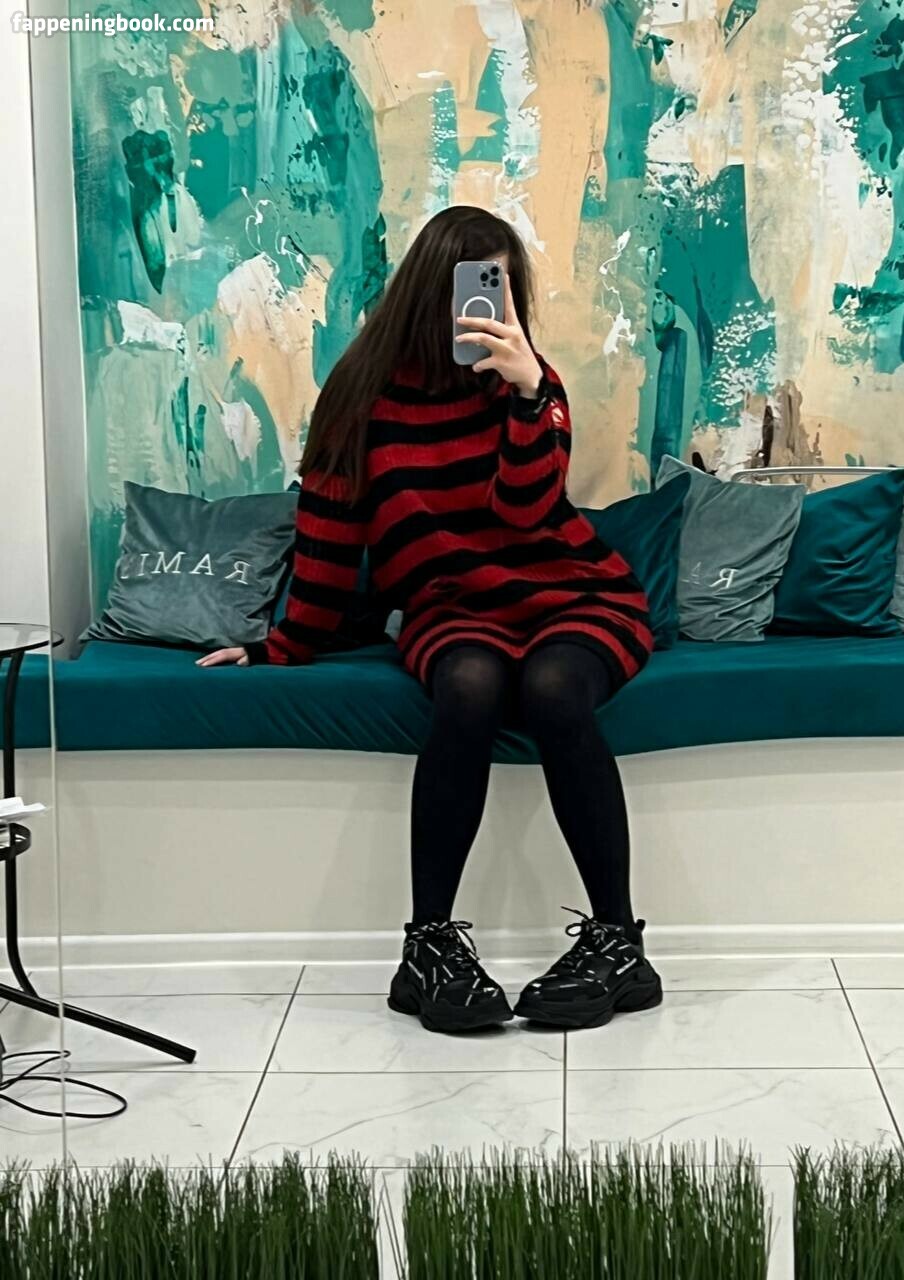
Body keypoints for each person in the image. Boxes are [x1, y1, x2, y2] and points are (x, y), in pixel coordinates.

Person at [199, 206, 662, 1034]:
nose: (486, 305)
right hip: (453, 608)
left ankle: (619, 944)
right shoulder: (359, 397)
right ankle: (428, 947)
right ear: (427, 291)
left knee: (555, 689)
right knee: (469, 686)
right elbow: (330, 534)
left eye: (501, 287)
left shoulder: (530, 384)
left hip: (573, 591)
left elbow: (526, 514)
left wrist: (529, 395)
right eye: (472, 286)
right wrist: (282, 645)